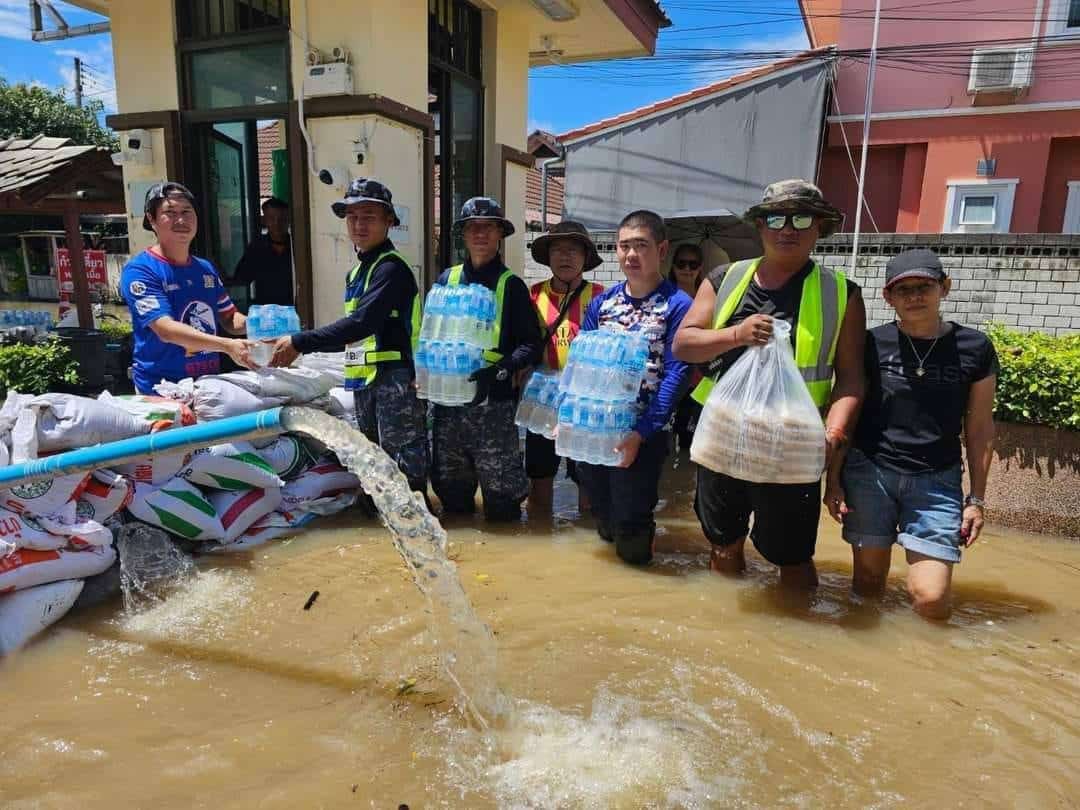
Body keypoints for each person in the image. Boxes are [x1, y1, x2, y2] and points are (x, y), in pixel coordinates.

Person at [673, 179, 866, 589]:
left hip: (793, 446)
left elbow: (850, 378)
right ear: (760, 227)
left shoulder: (841, 293)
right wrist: (735, 335)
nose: (787, 228)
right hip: (724, 438)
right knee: (724, 545)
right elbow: (684, 344)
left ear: (820, 228)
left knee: (792, 557)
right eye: (776, 218)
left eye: (801, 218)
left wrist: (833, 435)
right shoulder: (724, 279)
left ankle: (798, 633)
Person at [826, 249, 997, 620]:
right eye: (903, 290)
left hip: (937, 482)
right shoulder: (871, 344)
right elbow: (849, 410)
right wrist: (834, 480)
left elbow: (980, 428)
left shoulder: (975, 347)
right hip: (871, 474)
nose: (915, 296)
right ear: (888, 297)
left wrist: (976, 500)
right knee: (868, 586)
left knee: (931, 598)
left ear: (944, 288)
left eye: (925, 286)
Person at [268, 179, 428, 494]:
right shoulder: (356, 274)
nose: (359, 224)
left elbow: (361, 323)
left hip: (394, 382)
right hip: (363, 382)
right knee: (372, 466)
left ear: (389, 221)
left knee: (403, 472)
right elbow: (350, 334)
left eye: (369, 216)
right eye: (352, 217)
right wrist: (301, 348)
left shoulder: (390, 269)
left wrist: (300, 342)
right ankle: (378, 537)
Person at [576, 210, 692, 565]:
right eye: (624, 246)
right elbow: (581, 364)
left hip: (645, 431)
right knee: (603, 513)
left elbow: (677, 374)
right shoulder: (602, 304)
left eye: (640, 246)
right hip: (598, 430)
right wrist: (566, 416)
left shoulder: (677, 305)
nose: (631, 255)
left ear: (662, 249)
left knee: (632, 521)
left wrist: (641, 432)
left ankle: (640, 578)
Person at [429, 197, 541, 521]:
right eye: (472, 228)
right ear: (463, 235)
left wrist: (501, 370)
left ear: (499, 235)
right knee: (452, 499)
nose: (480, 234)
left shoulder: (512, 286)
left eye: (488, 227)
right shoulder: (444, 282)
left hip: (493, 407)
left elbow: (531, 344)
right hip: (448, 408)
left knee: (503, 504)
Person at [120, 182, 254, 395]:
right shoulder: (140, 271)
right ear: (151, 219)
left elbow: (229, 319)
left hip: (207, 387)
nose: (181, 220)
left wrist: (263, 324)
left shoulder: (205, 269)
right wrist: (228, 346)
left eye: (186, 211)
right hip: (160, 391)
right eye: (170, 213)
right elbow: (166, 330)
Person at [526, 221, 605, 512]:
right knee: (539, 479)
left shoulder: (601, 296)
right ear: (548, 257)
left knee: (589, 486)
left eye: (573, 250)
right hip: (543, 401)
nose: (565, 257)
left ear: (585, 257)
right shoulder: (533, 295)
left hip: (585, 406)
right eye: (558, 250)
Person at [667, 243, 707, 452]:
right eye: (681, 263)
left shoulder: (708, 297)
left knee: (690, 440)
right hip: (667, 377)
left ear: (700, 268)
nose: (687, 269)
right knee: (663, 439)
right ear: (673, 266)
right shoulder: (663, 296)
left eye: (693, 264)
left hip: (698, 379)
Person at [232, 197, 294, 306]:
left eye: (282, 219)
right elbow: (241, 279)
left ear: (288, 220)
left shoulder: (297, 247)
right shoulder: (257, 247)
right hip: (266, 311)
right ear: (264, 221)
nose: (277, 223)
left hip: (293, 310)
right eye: (271, 218)